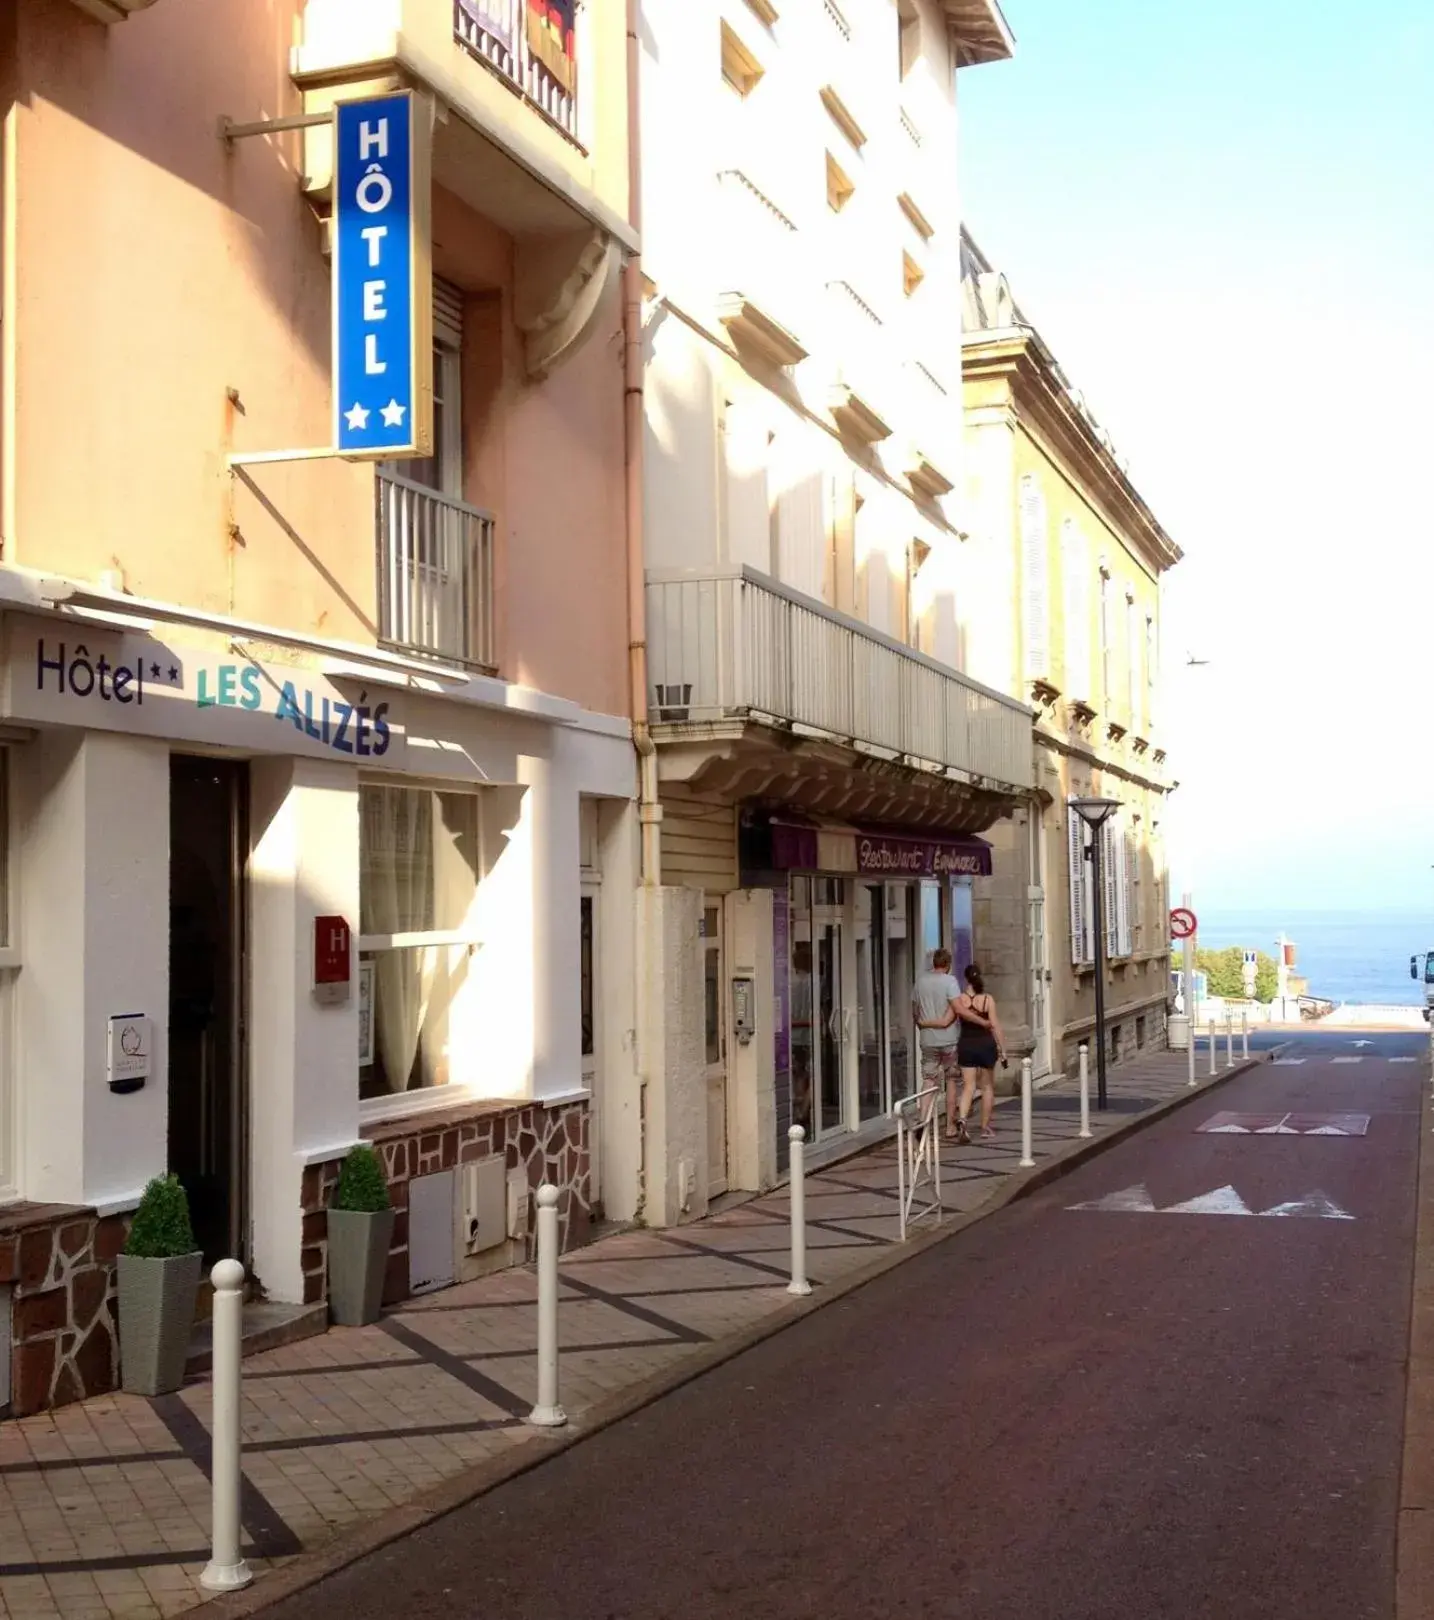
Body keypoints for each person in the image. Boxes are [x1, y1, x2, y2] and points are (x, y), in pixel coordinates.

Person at [918, 963, 1007, 1141]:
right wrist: (1003, 1051)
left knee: (968, 1086)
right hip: (986, 1045)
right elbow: (996, 1026)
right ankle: (985, 1127)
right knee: (987, 1087)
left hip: (966, 1045)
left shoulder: (960, 1000)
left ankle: (963, 1119)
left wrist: (924, 1023)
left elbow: (945, 1022)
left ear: (965, 979)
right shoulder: (988, 1000)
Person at [912, 948, 966, 1142]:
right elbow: (955, 1009)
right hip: (949, 1039)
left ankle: (923, 1120)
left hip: (927, 1039)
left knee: (928, 1079)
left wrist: (923, 1024)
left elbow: (915, 1010)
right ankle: (950, 1126)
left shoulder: (920, 982)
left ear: (933, 963)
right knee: (951, 1080)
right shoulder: (950, 982)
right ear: (948, 964)